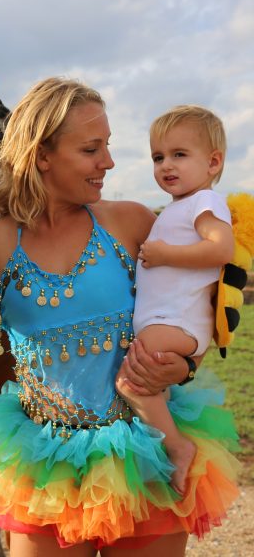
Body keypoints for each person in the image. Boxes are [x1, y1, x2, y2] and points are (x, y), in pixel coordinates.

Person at [0, 78, 240, 556]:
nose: (108, 161)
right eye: (91, 149)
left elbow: (200, 303)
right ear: (42, 154)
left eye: (107, 146)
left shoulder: (131, 224)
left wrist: (186, 364)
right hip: (42, 463)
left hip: (146, 453)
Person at [116, 105, 234, 497]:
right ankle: (163, 447)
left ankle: (177, 447)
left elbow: (221, 249)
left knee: (131, 382)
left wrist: (166, 255)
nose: (166, 165)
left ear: (213, 162)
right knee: (149, 388)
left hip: (178, 322)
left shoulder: (206, 204)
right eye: (158, 157)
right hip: (168, 320)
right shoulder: (181, 207)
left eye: (179, 155)